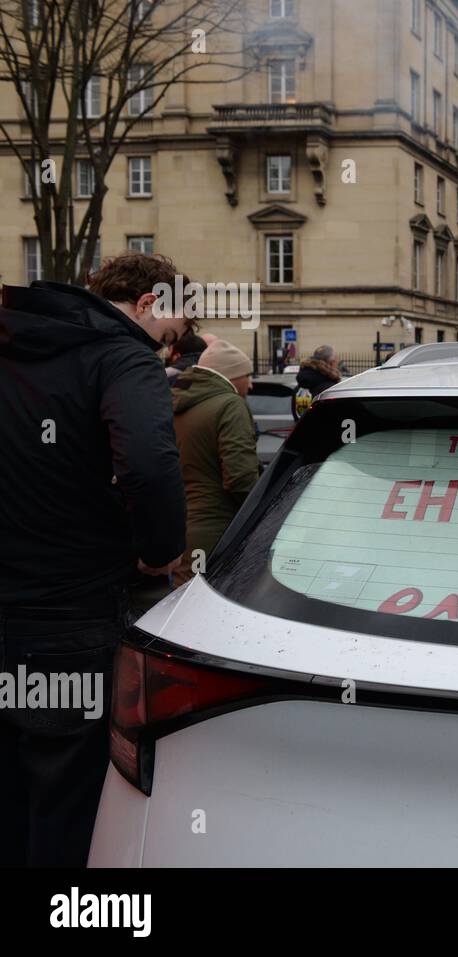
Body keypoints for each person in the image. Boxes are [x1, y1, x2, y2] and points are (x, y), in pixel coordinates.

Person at [0, 252, 189, 866]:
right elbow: (149, 465)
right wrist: (158, 552)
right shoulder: (121, 356)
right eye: (174, 329)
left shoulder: (16, 341)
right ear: (148, 304)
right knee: (63, 799)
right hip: (67, 616)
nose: (171, 349)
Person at [170, 341, 259, 589]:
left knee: (184, 598)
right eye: (247, 375)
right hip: (216, 527)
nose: (250, 384)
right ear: (230, 375)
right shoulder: (230, 405)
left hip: (181, 521)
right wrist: (262, 512)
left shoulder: (177, 403)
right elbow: (240, 478)